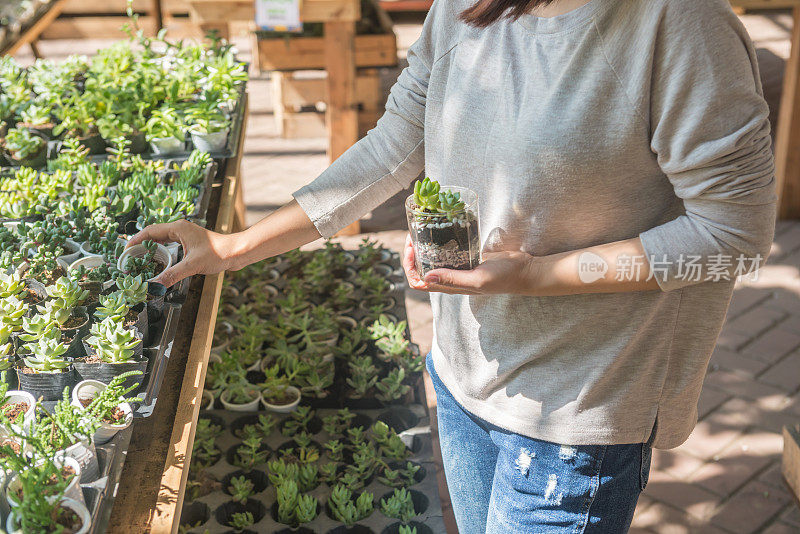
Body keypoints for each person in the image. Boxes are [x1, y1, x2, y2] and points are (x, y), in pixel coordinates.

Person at [129, 0, 777, 531]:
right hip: (463, 377)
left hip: (578, 413)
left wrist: (536, 276)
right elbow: (393, 145)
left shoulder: (681, 24)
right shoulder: (467, 7)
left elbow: (734, 235)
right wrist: (232, 247)